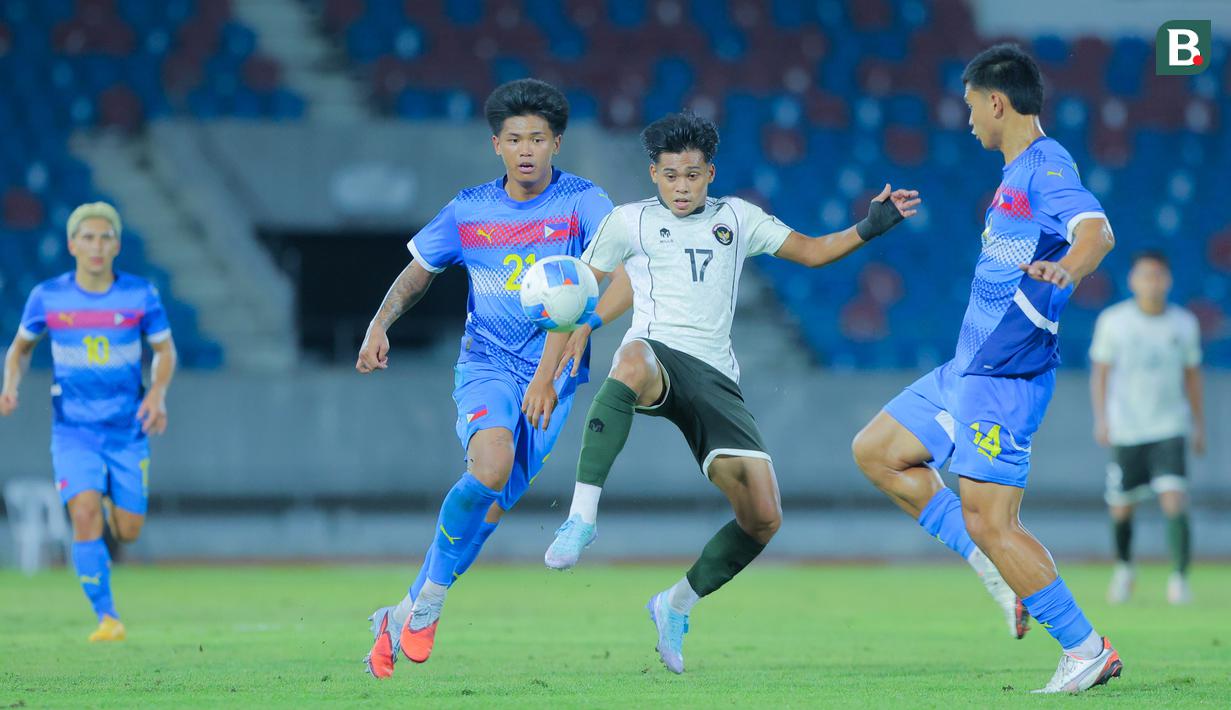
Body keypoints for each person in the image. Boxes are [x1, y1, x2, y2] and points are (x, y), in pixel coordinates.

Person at [538, 110, 919, 674]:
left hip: (715, 376)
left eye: (692, 175)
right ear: (653, 174)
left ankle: (675, 603)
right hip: (657, 353)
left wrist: (870, 226)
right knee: (631, 359)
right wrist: (549, 370)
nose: (681, 187)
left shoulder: (738, 218)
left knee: (763, 517)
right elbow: (575, 295)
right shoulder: (628, 222)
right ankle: (581, 518)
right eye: (671, 176)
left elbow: (812, 251)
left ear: (710, 173)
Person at [849, 44, 1121, 693]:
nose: (967, 119)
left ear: (996, 103)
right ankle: (996, 568)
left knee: (992, 521)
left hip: (1005, 378)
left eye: (971, 106)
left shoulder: (1044, 167)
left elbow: (1096, 231)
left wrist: (1068, 269)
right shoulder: (1017, 173)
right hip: (967, 369)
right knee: (878, 451)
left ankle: (1085, 648)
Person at [354, 78, 619, 677]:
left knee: (488, 512)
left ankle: (402, 614)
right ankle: (431, 604)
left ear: (557, 143)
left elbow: (621, 264)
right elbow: (420, 270)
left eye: (538, 139)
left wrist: (585, 326)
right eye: (514, 139)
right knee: (490, 467)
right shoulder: (469, 209)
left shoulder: (583, 203)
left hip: (554, 377)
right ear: (495, 144)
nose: (526, 150)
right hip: (488, 365)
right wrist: (379, 323)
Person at [1, 201, 177, 642]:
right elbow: (20, 349)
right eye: (88, 237)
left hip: (127, 430)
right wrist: (10, 385)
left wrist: (157, 393)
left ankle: (113, 505)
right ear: (72, 244)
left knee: (129, 531)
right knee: (83, 512)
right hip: (73, 431)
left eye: (105, 237)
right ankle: (107, 617)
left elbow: (165, 351)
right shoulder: (47, 297)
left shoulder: (140, 295)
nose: (96, 246)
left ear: (117, 245)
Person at [1090, 250, 1203, 604]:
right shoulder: (1114, 321)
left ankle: (1179, 579)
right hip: (1127, 428)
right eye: (1145, 276)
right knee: (1121, 507)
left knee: (1174, 499)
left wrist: (1198, 424)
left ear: (1167, 280)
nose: (1151, 283)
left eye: (1157, 276)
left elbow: (1192, 376)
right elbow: (1100, 373)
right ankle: (1124, 570)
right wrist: (1101, 418)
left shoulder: (1184, 323)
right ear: (1132, 280)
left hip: (1169, 426)